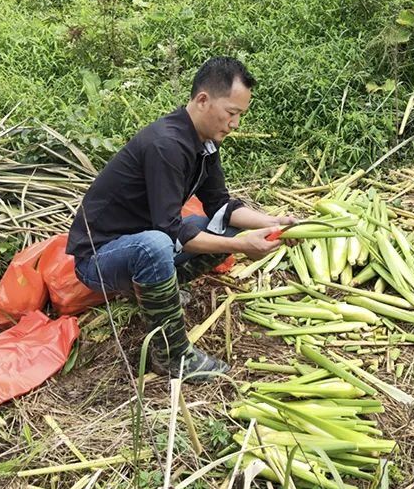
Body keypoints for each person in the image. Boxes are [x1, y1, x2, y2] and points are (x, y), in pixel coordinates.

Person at [67, 57, 293, 381]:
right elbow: (169, 230)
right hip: (99, 257)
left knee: (223, 225)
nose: (235, 124)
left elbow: (220, 206)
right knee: (156, 246)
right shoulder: (167, 145)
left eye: (240, 116)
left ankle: (155, 292)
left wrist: (274, 222)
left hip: (139, 244)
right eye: (231, 113)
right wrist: (242, 247)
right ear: (203, 100)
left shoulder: (206, 145)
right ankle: (174, 358)